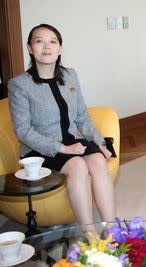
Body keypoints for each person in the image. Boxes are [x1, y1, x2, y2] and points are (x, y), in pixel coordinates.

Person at [8, 24, 116, 226]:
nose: (47, 47)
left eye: (53, 42)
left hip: (71, 141)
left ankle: (111, 229)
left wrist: (100, 142)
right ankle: (89, 232)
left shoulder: (70, 75)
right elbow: (23, 131)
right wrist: (62, 148)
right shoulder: (19, 84)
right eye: (39, 41)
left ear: (60, 48)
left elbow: (82, 115)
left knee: (99, 161)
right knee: (77, 165)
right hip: (39, 150)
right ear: (30, 48)